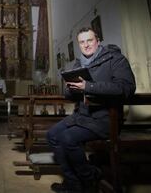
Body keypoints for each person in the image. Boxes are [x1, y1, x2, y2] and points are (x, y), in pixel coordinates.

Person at [47, 27, 136, 193]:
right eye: (82, 42)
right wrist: (70, 89)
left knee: (68, 138)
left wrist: (89, 86)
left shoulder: (114, 59)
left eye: (89, 40)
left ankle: (89, 177)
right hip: (82, 116)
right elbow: (70, 96)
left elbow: (127, 88)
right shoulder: (79, 63)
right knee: (52, 135)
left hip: (105, 118)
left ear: (98, 41)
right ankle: (73, 182)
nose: (86, 45)